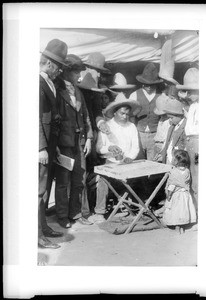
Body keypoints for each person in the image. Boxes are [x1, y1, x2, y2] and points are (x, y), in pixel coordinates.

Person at [54, 54, 94, 228]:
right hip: (63, 142)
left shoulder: (78, 91)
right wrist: (54, 144)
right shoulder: (56, 89)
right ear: (67, 71)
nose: (79, 76)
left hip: (79, 141)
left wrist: (89, 138)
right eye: (76, 72)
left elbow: (85, 116)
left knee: (80, 179)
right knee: (63, 181)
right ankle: (62, 215)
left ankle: (76, 213)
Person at [88, 93, 141, 223]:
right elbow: (99, 148)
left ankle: (130, 207)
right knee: (104, 180)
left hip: (128, 163)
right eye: (122, 113)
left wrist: (129, 157)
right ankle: (100, 212)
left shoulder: (131, 126)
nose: (125, 116)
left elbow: (135, 147)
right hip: (110, 162)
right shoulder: (107, 126)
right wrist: (109, 149)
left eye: (127, 114)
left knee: (136, 179)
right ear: (115, 112)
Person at [38, 39, 68, 249]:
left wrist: (53, 145)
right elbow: (36, 118)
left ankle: (43, 228)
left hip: (50, 145)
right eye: (58, 66)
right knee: (39, 191)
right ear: (49, 63)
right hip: (41, 147)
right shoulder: (38, 82)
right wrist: (40, 147)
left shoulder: (49, 81)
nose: (59, 71)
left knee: (45, 189)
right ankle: (38, 235)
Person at [129, 62, 163, 161]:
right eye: (146, 84)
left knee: (153, 163)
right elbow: (130, 117)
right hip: (139, 134)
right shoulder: (134, 95)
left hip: (155, 135)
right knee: (138, 162)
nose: (148, 87)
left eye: (151, 85)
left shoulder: (161, 97)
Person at [176, 68, 199, 213]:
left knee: (197, 176)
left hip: (198, 144)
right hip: (191, 143)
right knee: (192, 175)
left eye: (191, 91)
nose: (188, 94)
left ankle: (199, 212)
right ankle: (194, 210)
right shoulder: (193, 105)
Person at [161, 150, 197, 233]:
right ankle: (182, 227)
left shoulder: (174, 172)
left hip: (176, 195)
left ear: (176, 161)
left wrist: (169, 195)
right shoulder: (187, 171)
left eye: (173, 159)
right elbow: (186, 182)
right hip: (185, 195)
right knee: (183, 210)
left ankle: (177, 227)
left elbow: (172, 185)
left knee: (176, 211)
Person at [155, 98, 187, 165]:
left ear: (179, 116)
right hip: (168, 158)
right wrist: (162, 154)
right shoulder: (172, 126)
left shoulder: (185, 128)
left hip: (177, 161)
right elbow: (167, 144)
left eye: (171, 118)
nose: (170, 120)